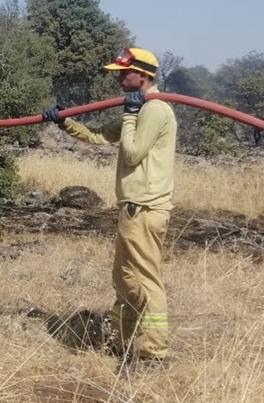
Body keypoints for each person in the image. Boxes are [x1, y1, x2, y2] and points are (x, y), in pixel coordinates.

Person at [42, 47, 177, 374]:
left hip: (145, 208)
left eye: (123, 73)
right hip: (133, 209)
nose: (118, 78)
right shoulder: (141, 107)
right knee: (126, 278)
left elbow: (132, 153)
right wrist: (65, 123)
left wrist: (131, 114)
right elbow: (100, 136)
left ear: (142, 76)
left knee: (145, 279)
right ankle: (123, 341)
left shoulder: (154, 109)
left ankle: (153, 354)